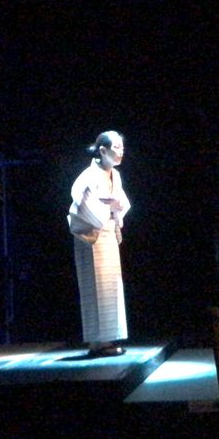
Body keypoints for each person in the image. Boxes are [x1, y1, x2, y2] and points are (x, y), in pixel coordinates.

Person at [67, 131, 130, 357]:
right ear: (102, 150)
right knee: (94, 287)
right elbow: (81, 201)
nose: (121, 151)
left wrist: (116, 206)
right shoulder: (88, 176)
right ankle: (97, 342)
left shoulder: (116, 175)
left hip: (108, 233)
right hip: (91, 235)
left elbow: (122, 203)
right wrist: (107, 207)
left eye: (122, 147)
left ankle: (106, 340)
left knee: (109, 286)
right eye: (116, 147)